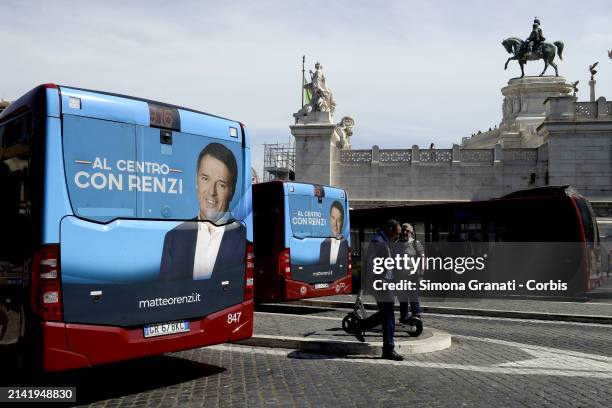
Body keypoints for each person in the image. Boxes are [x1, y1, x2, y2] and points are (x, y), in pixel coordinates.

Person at [159, 142, 246, 280]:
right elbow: (166, 292)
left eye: (221, 184)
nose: (212, 192)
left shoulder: (245, 240)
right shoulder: (174, 238)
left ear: (232, 191)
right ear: (196, 181)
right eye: (205, 179)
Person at [356, 219, 403, 361]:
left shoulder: (383, 241)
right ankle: (388, 350)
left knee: (385, 314)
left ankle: (361, 326)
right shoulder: (379, 242)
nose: (398, 237)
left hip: (386, 283)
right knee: (389, 317)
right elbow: (372, 265)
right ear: (390, 230)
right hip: (382, 284)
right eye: (397, 233)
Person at [395, 223, 424, 324]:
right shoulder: (397, 243)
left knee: (413, 300)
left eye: (407, 231)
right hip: (400, 277)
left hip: (413, 277)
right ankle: (404, 319)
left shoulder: (416, 243)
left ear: (411, 232)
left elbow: (423, 260)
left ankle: (417, 321)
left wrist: (421, 276)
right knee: (402, 301)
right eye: (403, 230)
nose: (405, 232)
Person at [319, 201, 349, 276]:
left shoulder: (346, 244)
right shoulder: (323, 244)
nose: (335, 224)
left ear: (342, 222)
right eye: (333, 218)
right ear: (329, 218)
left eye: (338, 220)